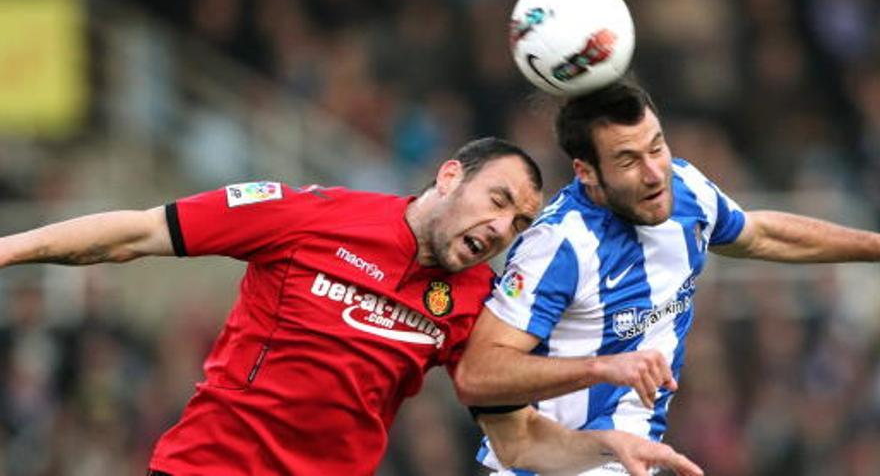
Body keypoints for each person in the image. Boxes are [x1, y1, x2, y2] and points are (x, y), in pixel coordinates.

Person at [0, 137, 702, 476]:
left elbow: (517, 439)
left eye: (519, 225)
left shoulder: (474, 303)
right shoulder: (308, 214)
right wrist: (8, 248)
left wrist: (604, 445)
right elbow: (138, 231)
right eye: (497, 202)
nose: (500, 230)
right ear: (450, 175)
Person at [453, 80, 880, 475]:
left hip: (629, 459)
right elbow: (478, 375)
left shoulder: (687, 191)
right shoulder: (559, 244)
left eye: (656, 147)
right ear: (587, 173)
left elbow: (760, 234)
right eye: (628, 160)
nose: (655, 172)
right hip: (551, 465)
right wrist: (602, 367)